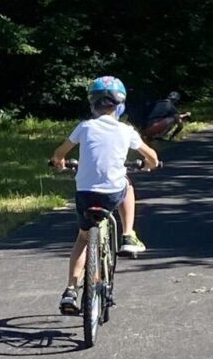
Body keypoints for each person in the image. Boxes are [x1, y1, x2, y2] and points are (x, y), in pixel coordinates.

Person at [49, 76, 160, 315]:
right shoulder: (125, 130)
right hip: (112, 193)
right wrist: (150, 164)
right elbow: (151, 156)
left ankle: (70, 289)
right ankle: (128, 234)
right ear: (120, 105)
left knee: (82, 238)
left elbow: (59, 153)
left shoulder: (84, 127)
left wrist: (59, 163)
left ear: (92, 104)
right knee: (127, 185)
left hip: (86, 194)